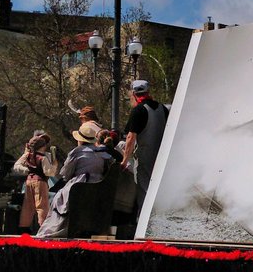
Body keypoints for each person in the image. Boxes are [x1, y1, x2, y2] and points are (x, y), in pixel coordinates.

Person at [34, 121, 113, 243]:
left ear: (80, 140)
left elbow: (66, 173)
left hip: (80, 185)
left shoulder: (77, 151)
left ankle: (52, 230)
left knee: (59, 197)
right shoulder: (103, 153)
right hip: (99, 185)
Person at [120, 79, 168, 215]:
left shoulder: (138, 110)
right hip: (161, 157)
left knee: (144, 191)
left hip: (145, 158)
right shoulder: (162, 108)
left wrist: (124, 161)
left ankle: (145, 222)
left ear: (134, 94)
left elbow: (130, 138)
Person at [18, 131, 52, 233]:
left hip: (30, 180)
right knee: (42, 205)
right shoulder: (41, 157)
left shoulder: (30, 156)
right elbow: (49, 172)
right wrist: (54, 165)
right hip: (40, 181)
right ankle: (43, 227)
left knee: (28, 205)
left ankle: (24, 227)